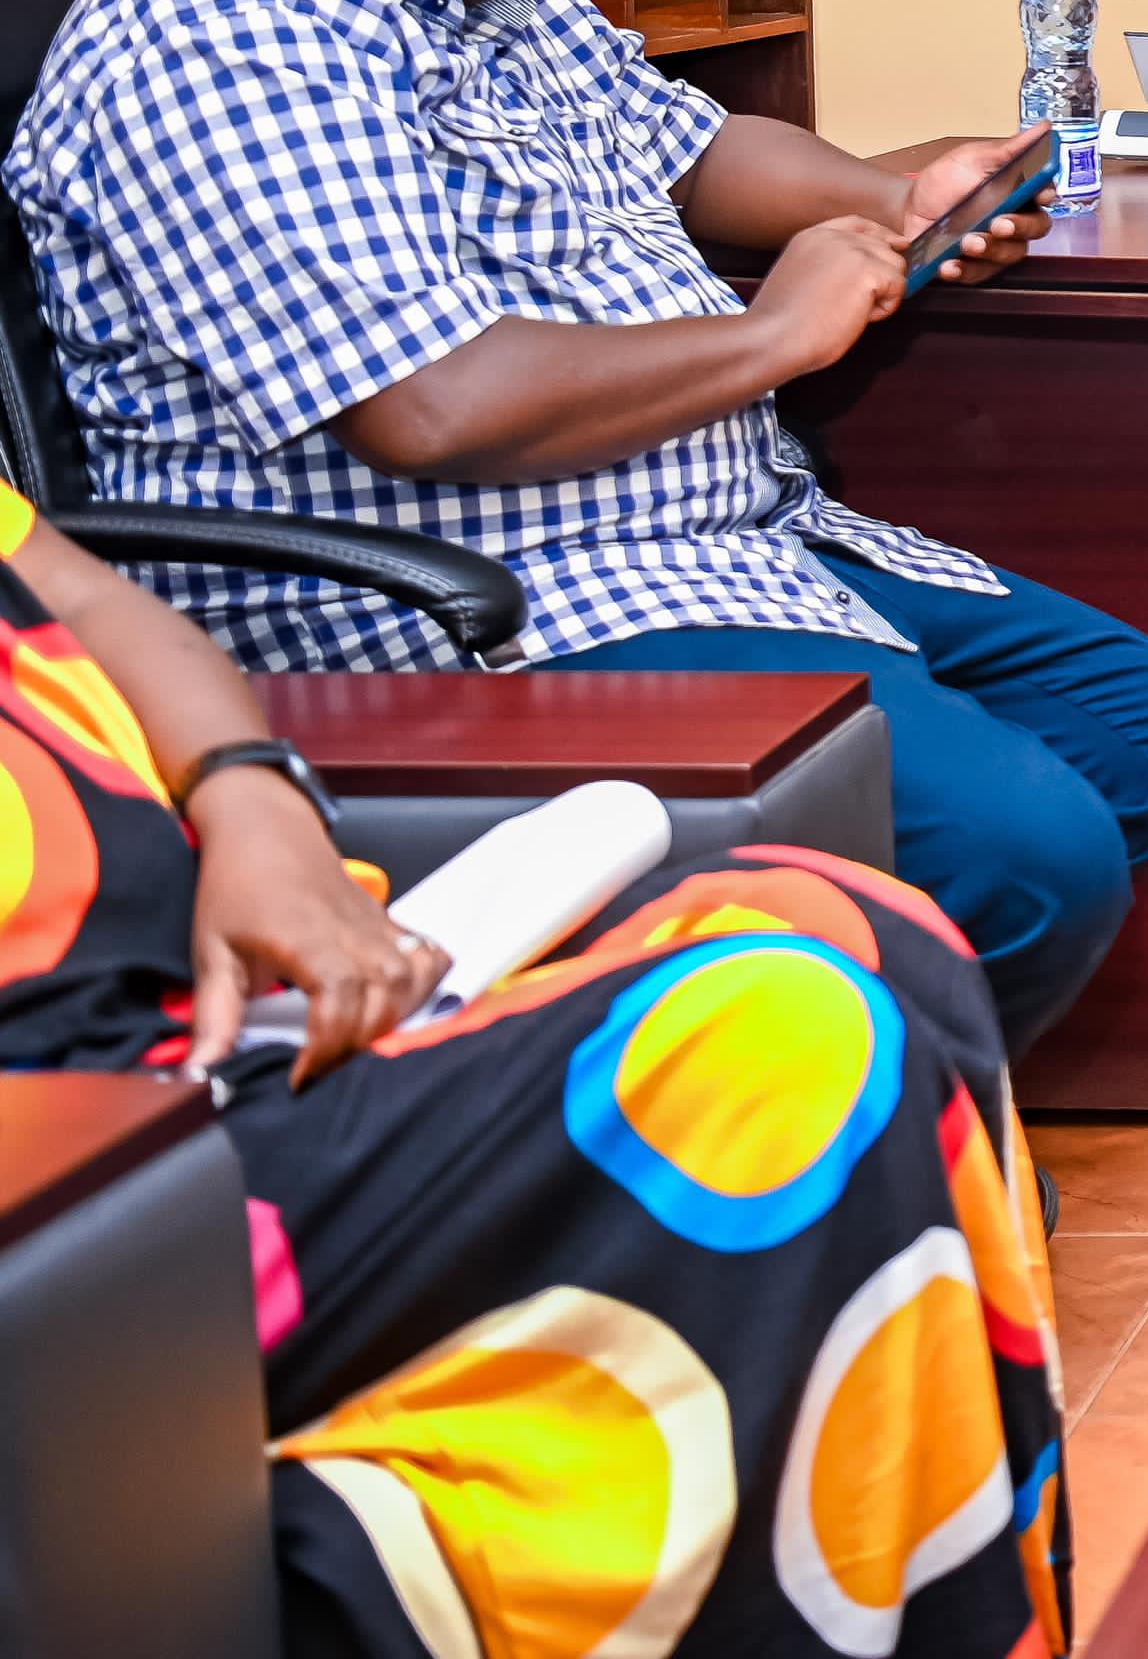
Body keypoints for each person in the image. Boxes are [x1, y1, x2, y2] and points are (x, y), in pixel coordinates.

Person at [8, 0, 1148, 1053]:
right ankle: (818, 1152)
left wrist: (899, 194)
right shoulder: (224, 36)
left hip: (719, 543)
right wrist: (775, 341)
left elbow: (685, 149)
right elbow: (431, 407)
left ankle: (852, 1055)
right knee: (1030, 852)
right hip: (486, 604)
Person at [0, 480, 1066, 1649]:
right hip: (95, 1162)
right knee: (789, 1036)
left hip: (244, 1017)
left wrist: (255, 803)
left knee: (848, 921)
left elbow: (101, 604)